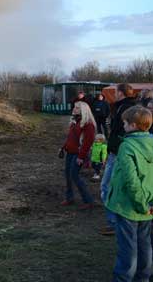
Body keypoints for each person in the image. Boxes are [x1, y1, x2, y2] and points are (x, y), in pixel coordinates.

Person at [104, 106, 153, 282]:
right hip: (148, 207)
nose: (122, 126)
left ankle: (124, 278)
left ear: (133, 125)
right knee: (145, 245)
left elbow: (131, 181)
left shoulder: (127, 146)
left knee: (128, 249)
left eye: (124, 123)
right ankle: (143, 278)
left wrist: (141, 204)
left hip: (128, 207)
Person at [101, 83, 139, 236]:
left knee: (107, 187)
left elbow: (124, 133)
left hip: (118, 153)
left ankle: (115, 223)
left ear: (121, 93)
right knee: (112, 187)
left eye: (116, 92)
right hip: (117, 152)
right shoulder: (123, 106)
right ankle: (117, 222)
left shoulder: (127, 109)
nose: (114, 94)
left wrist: (114, 148)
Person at [60, 101, 96, 209]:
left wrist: (81, 157)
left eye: (76, 108)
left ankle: (88, 200)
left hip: (78, 154)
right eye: (74, 107)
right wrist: (63, 147)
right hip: (70, 152)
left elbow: (87, 142)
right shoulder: (75, 121)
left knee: (74, 175)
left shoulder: (88, 124)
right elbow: (70, 138)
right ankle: (69, 197)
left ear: (83, 110)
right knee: (68, 175)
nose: (74, 109)